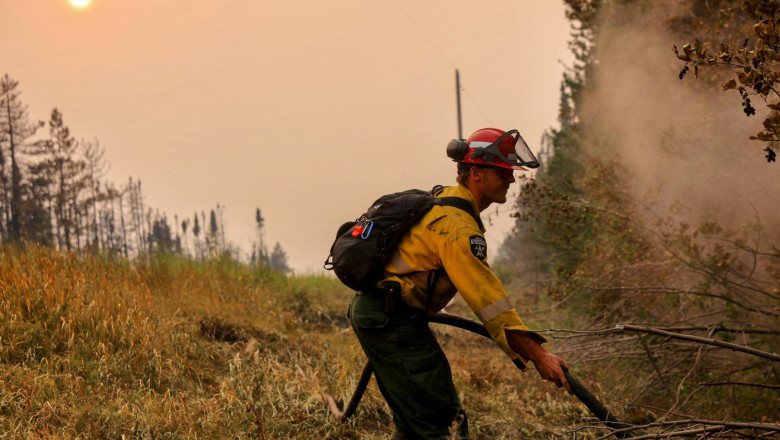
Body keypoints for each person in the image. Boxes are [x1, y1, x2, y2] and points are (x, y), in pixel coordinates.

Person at [348, 128, 572, 440]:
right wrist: (539, 355)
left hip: (388, 316)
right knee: (443, 421)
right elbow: (489, 303)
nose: (511, 178)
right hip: (390, 320)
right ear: (477, 173)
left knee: (417, 422)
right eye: (503, 171)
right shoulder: (457, 228)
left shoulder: (446, 204)